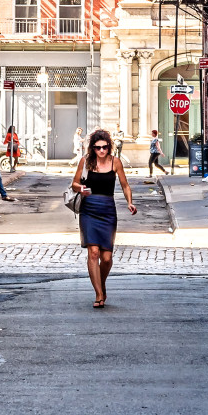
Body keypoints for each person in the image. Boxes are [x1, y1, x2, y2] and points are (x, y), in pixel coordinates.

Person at [71, 127, 136, 308]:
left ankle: (101, 283)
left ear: (109, 147)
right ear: (92, 148)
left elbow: (125, 185)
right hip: (89, 209)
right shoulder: (85, 162)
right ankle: (99, 294)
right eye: (98, 147)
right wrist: (81, 188)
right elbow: (74, 183)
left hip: (107, 210)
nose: (101, 151)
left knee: (106, 258)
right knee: (93, 252)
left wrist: (129, 202)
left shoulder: (115, 162)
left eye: (105, 147)